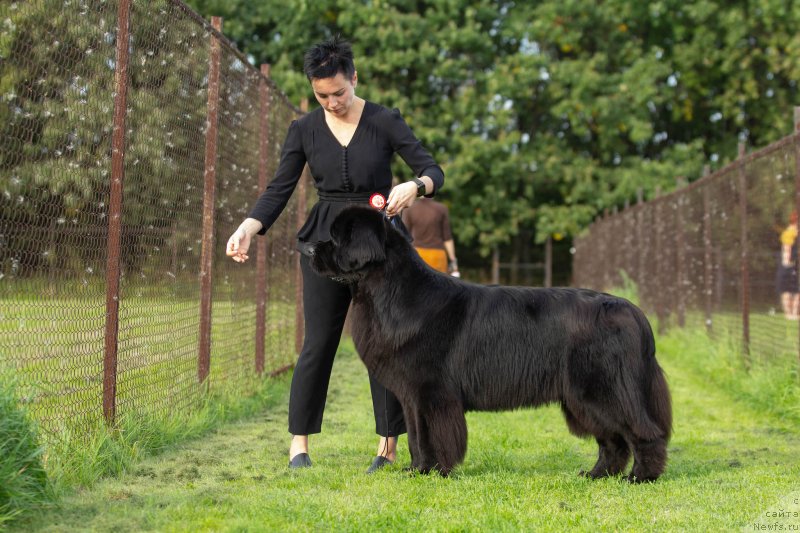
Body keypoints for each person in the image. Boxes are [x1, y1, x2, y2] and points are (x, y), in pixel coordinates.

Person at [225, 36, 444, 472]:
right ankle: (299, 447)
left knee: (386, 343)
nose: (332, 103)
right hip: (325, 247)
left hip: (380, 250)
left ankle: (387, 446)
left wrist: (414, 186)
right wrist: (249, 226)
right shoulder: (303, 130)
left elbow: (432, 169)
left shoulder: (384, 121)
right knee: (318, 342)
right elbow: (279, 188)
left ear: (354, 78)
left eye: (339, 93)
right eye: (322, 95)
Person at [401, 197, 460, 277]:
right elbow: (447, 237)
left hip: (417, 255)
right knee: (440, 287)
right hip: (438, 255)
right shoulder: (441, 208)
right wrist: (453, 260)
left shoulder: (409, 209)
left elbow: (404, 236)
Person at [777, 211, 799, 319]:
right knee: (788, 290)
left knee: (795, 290)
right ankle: (789, 314)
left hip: (793, 264)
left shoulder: (792, 233)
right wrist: (788, 264)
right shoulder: (790, 233)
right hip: (789, 265)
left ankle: (793, 314)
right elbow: (787, 249)